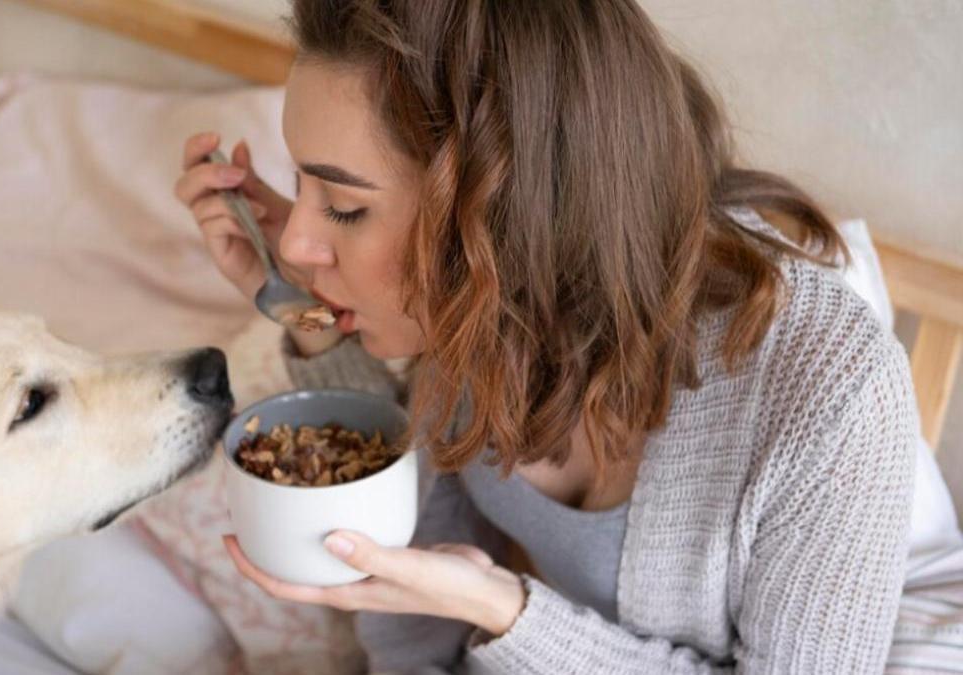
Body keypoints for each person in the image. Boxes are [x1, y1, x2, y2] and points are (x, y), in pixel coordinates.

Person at [174, 0, 918, 672]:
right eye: (302, 185)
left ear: (504, 215)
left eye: (340, 204)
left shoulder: (833, 394)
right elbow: (409, 464)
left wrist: (505, 610)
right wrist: (288, 302)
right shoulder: (491, 305)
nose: (298, 239)